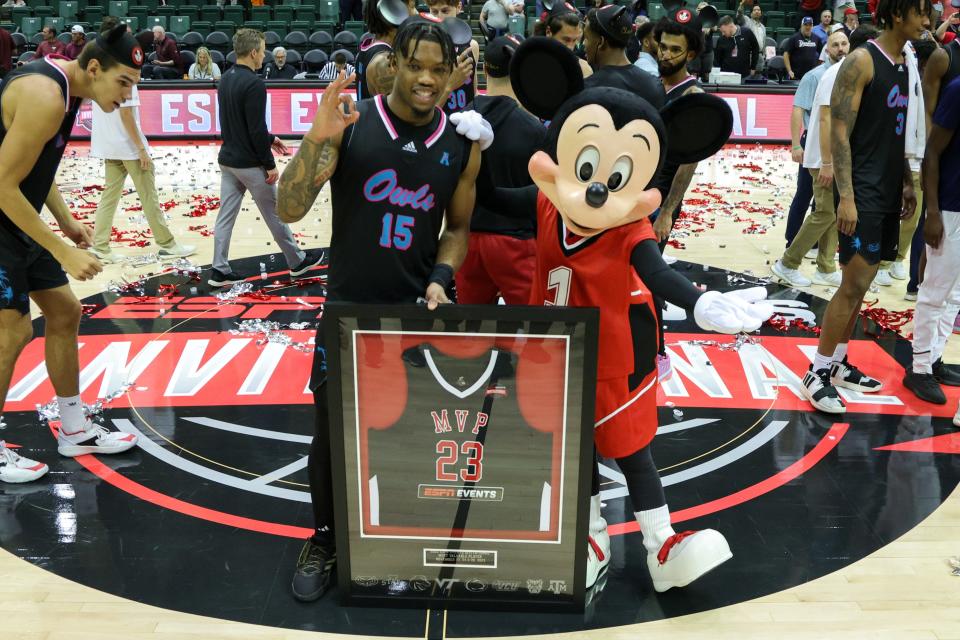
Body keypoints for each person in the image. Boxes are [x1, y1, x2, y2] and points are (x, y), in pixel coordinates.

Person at [276, 19, 484, 601]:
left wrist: (444, 275)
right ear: (393, 62)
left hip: (415, 312)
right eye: (415, 65)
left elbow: (459, 228)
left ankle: (399, 537)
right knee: (329, 433)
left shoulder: (462, 145)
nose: (425, 79)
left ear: (450, 74)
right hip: (347, 309)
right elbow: (290, 208)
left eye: (438, 70)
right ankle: (325, 538)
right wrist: (317, 138)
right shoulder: (354, 122)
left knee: (411, 432)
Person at [0, 25, 143, 484]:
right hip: (2, 217)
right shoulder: (44, 95)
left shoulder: (68, 88)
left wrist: (62, 218)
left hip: (17, 219)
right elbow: (2, 184)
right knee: (11, 333)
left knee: (64, 312)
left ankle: (75, 427)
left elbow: (34, 166)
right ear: (95, 67)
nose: (128, 95)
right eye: (123, 83)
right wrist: (61, 248)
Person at [801, 0, 927, 415]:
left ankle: (836, 363)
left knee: (864, 283)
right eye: (919, 12)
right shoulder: (861, 61)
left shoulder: (906, 62)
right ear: (895, 14)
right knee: (852, 284)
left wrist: (907, 182)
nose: (926, 20)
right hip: (863, 191)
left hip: (889, 188)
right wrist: (847, 196)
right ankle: (816, 371)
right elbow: (838, 130)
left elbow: (899, 131)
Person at [210, 29, 322, 287]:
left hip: (227, 160)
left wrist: (271, 139)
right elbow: (254, 128)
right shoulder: (254, 84)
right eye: (262, 50)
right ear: (253, 52)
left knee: (225, 215)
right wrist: (269, 164)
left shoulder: (225, 78)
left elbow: (236, 122)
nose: (264, 54)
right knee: (275, 213)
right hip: (250, 164)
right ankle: (297, 262)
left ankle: (219, 269)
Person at [90, 19, 195, 264]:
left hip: (108, 144)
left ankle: (101, 246)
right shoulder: (125, 69)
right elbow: (126, 114)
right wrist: (141, 149)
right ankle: (168, 245)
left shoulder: (97, 67)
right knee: (149, 197)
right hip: (128, 146)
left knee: (109, 197)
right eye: (126, 35)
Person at [456, 35, 544, 305]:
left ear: (483, 70)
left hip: (466, 241)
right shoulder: (533, 127)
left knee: (470, 334)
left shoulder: (459, 120)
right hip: (516, 243)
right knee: (531, 330)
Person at [771, 28, 853, 289]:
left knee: (829, 212)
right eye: (835, 44)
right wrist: (799, 146)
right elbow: (805, 114)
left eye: (844, 43)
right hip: (819, 152)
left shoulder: (844, 74)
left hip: (831, 154)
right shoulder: (822, 76)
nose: (840, 48)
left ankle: (826, 267)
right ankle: (788, 261)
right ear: (826, 50)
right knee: (821, 210)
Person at [906, 74, 960, 404]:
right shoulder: (957, 90)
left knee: (955, 294)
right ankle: (919, 368)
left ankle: (935, 358)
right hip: (952, 207)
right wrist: (933, 211)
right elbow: (932, 153)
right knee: (934, 292)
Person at [582, 4, 665, 106]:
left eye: (586, 38)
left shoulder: (589, 89)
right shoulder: (654, 85)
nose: (583, 44)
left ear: (601, 42)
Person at [356, 0, 417, 100]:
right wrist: (448, 87)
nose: (416, 13)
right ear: (392, 11)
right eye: (413, 7)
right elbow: (403, 115)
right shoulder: (384, 63)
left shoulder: (370, 46)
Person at [545, 5, 593, 77]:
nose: (570, 48)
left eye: (574, 40)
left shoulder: (584, 69)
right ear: (548, 32)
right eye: (566, 40)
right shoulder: (531, 62)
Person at [784, 16, 825, 80]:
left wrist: (818, 68)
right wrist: (789, 70)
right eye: (805, 25)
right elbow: (786, 54)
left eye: (810, 25)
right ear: (801, 26)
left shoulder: (816, 38)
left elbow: (822, 55)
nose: (808, 27)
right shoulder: (794, 38)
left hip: (811, 75)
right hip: (796, 74)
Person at [737, 0, 768, 73]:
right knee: (747, 78)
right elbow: (739, 16)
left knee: (758, 80)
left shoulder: (763, 27)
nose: (757, 11)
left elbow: (764, 42)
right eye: (755, 10)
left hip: (760, 57)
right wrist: (741, 5)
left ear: (761, 13)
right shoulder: (747, 21)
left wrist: (763, 56)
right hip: (749, 55)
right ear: (751, 13)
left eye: (759, 10)